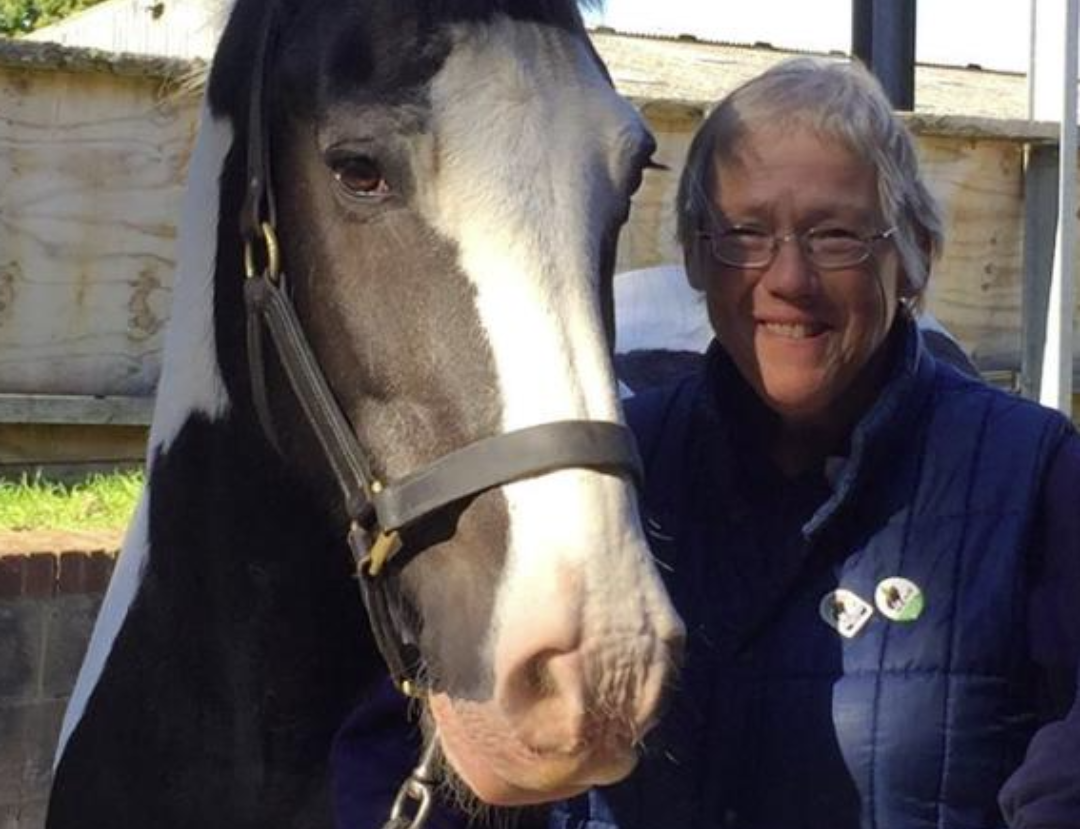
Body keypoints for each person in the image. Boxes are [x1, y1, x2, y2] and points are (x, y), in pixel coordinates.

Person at [336, 57, 1080, 829]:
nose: (787, 276)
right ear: (695, 255)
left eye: (833, 235)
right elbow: (402, 754)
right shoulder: (607, 474)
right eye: (746, 234)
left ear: (915, 255)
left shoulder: (1032, 480)